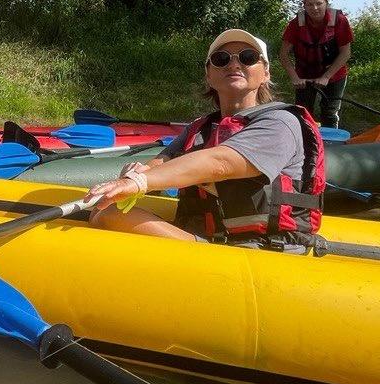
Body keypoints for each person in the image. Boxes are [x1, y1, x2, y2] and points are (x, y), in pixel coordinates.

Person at [85, 30, 325, 252]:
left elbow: (221, 162)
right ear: (209, 75)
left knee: (109, 217)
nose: (234, 64)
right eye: (221, 59)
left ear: (265, 73)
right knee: (106, 210)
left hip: (259, 249)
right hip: (210, 241)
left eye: (248, 57)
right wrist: (136, 173)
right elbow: (161, 163)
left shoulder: (280, 122)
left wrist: (140, 182)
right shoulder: (199, 128)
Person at [278, 0, 354, 129]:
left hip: (334, 73)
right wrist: (294, 77)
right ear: (304, 6)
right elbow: (283, 54)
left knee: (330, 112)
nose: (314, 8)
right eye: (310, 4)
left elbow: (346, 52)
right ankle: (306, 145)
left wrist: (326, 76)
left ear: (326, 3)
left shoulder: (339, 21)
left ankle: (331, 143)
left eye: (319, 3)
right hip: (304, 75)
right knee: (302, 112)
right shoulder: (295, 24)